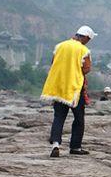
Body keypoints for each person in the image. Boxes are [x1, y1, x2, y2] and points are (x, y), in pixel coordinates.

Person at [40, 25, 96, 157]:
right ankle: (75, 146)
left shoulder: (60, 46)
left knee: (59, 117)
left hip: (59, 86)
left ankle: (56, 145)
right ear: (86, 37)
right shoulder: (84, 50)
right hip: (75, 88)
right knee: (79, 118)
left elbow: (54, 62)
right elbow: (86, 69)